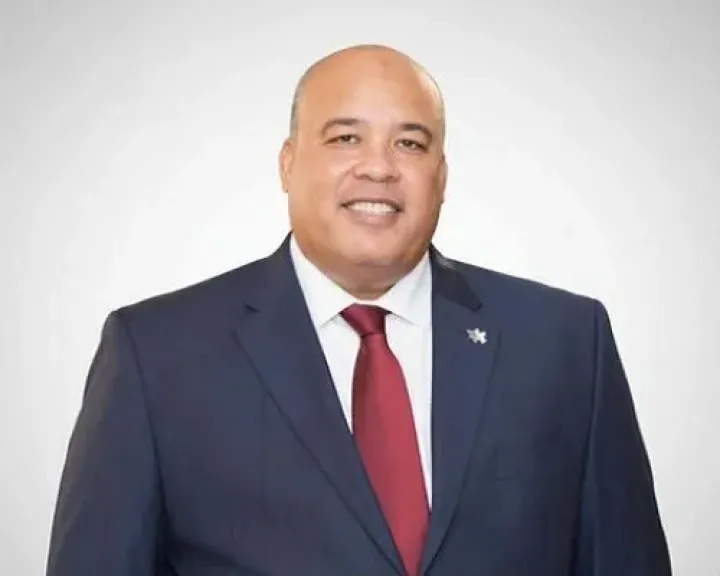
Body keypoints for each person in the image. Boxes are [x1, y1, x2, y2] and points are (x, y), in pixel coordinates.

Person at [45, 44, 672, 575]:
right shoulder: (157, 354)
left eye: (410, 143)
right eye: (346, 138)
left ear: (441, 176)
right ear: (289, 163)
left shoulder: (566, 342)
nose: (379, 167)